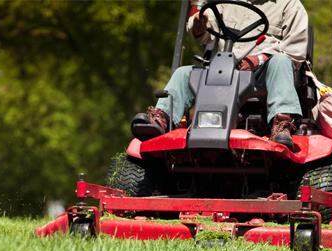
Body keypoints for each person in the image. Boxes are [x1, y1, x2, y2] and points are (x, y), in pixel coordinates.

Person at [131, 0, 309, 148]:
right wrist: (200, 24)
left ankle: (282, 124)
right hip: (226, 67)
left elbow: (295, 51)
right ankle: (161, 118)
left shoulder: (290, 5)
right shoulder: (226, 2)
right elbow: (205, 32)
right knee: (184, 73)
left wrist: (259, 59)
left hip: (264, 73)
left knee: (281, 61)